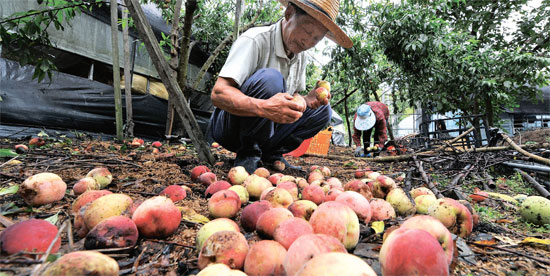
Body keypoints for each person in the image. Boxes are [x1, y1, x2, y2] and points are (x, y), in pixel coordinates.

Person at [207, 0, 352, 173]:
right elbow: (218, 94)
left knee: (323, 112)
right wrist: (263, 107)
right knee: (271, 78)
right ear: (289, 13)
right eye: (307, 31)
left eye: (316, 39)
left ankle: (272, 154)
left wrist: (305, 100)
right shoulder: (255, 40)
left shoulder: (301, 55)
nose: (308, 42)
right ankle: (248, 154)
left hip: (268, 130)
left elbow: (291, 97)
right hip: (230, 129)